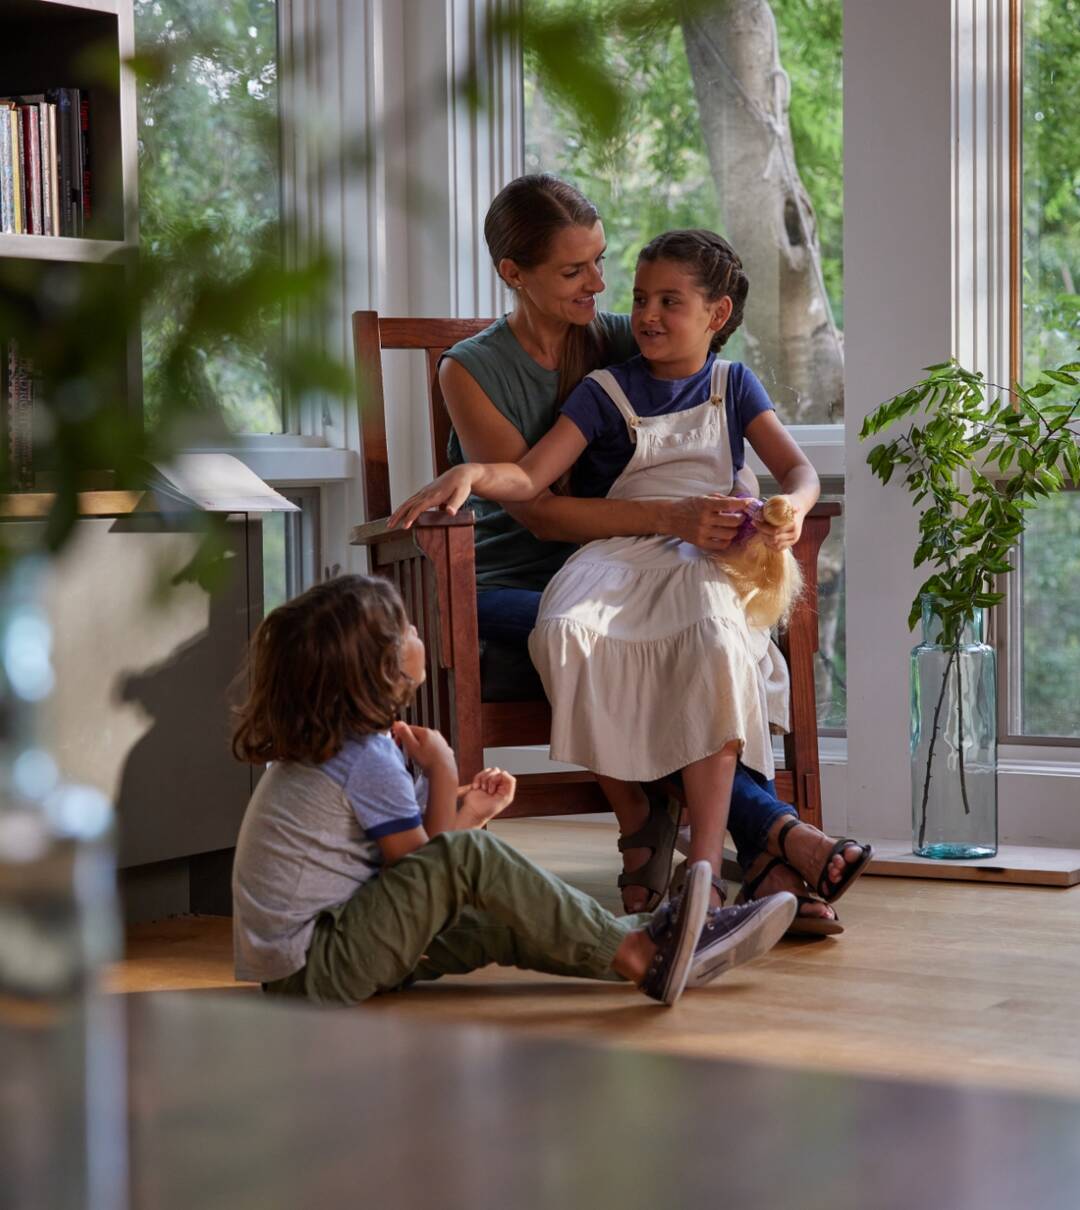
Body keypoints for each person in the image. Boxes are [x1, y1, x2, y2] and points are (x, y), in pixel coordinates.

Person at [392, 226, 872, 916]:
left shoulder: (733, 384)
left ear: (717, 315)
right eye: (642, 297)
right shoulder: (600, 388)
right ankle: (756, 843)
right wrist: (472, 469)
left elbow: (796, 470)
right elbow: (531, 479)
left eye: (668, 301)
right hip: (619, 556)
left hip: (700, 560)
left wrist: (791, 508)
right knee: (563, 628)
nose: (644, 313)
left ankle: (704, 867)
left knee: (710, 642)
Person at [229, 574, 797, 1008]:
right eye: (405, 630)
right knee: (469, 859)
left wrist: (466, 810)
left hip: (310, 966)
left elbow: (407, 865)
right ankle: (645, 952)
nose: (417, 633)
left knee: (512, 913)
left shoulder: (347, 747)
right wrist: (446, 768)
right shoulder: (367, 756)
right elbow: (424, 866)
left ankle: (664, 941)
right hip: (320, 966)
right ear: (376, 669)